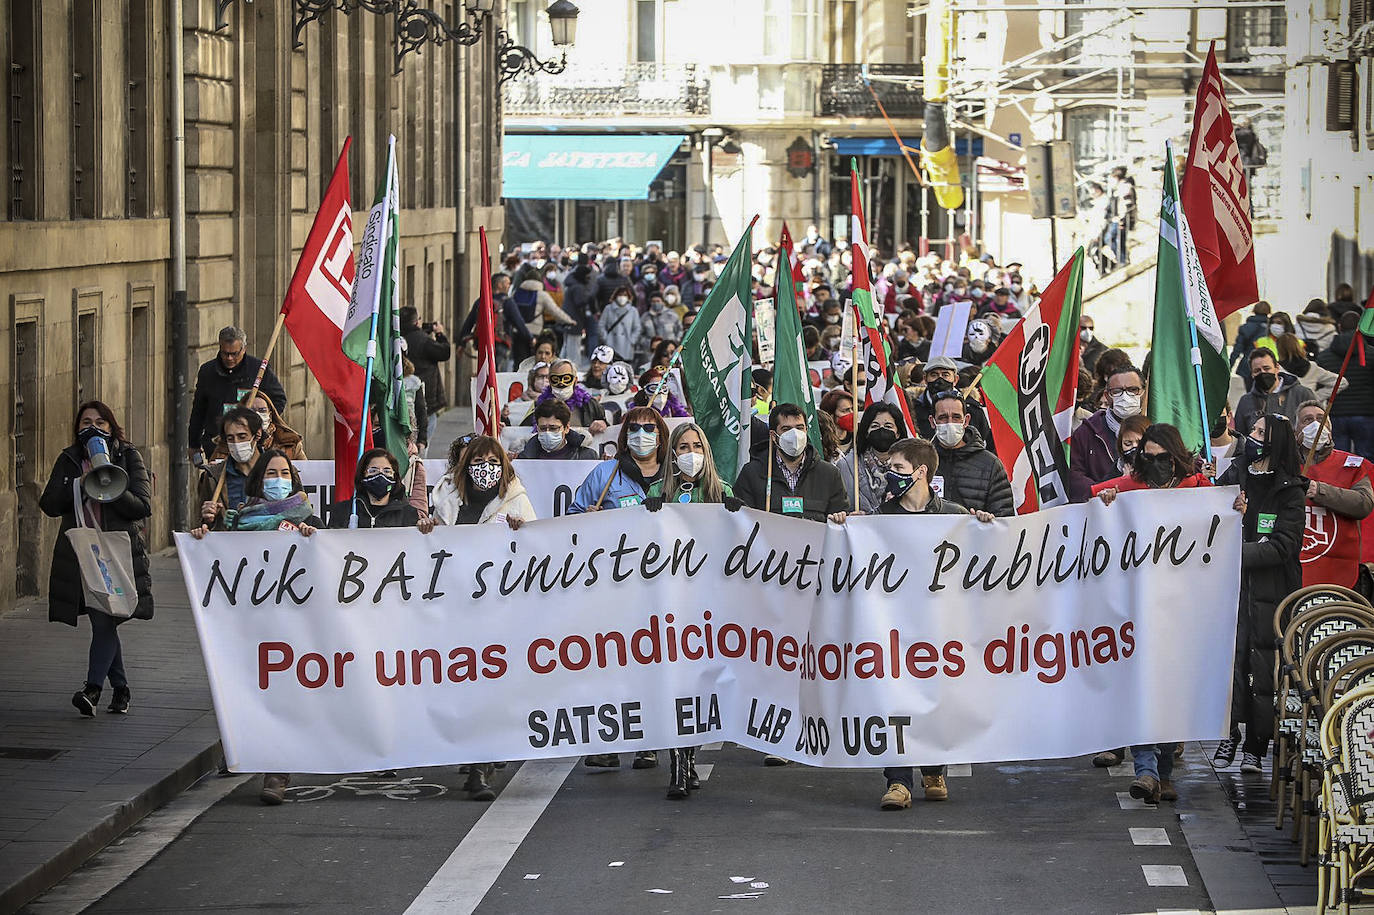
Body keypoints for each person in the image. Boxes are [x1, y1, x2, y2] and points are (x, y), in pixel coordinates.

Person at [187, 448, 324, 805]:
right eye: (270, 474)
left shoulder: (309, 519)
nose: (277, 480)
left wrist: (315, 541)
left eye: (284, 474)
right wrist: (207, 532)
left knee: (284, 694)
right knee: (251, 692)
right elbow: (220, 559)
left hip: (293, 629)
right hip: (252, 626)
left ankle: (277, 773)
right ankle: (244, 750)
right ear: (258, 480)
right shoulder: (237, 520)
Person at [1091, 424, 1211, 802]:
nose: (1155, 463)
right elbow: (1091, 512)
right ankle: (1145, 770)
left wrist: (1235, 507)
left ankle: (1164, 771)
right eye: (1148, 456)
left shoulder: (1199, 490)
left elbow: (1222, 524)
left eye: (1163, 458)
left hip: (1182, 610)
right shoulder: (1127, 489)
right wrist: (1105, 504)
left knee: (1170, 692)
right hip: (1135, 609)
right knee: (1139, 686)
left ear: (1176, 457)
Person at [877, 436, 993, 811]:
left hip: (941, 629)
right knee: (895, 700)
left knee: (936, 699)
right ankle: (898, 781)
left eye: (897, 469)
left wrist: (986, 528)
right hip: (894, 627)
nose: (890, 476)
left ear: (921, 472)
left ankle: (932, 770)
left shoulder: (955, 516)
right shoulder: (881, 518)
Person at [42, 402, 153, 718]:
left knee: (105, 619)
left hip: (117, 552)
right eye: (86, 422)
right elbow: (49, 503)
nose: (93, 427)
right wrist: (78, 486)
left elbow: (142, 505)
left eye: (101, 422)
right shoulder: (70, 459)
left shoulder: (128, 456)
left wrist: (110, 486)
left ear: (112, 427)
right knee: (103, 618)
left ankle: (93, 688)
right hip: (83, 554)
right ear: (78, 429)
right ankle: (119, 688)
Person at [643, 424, 736, 798]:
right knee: (674, 683)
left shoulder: (721, 491)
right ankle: (679, 767)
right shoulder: (657, 491)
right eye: (683, 446)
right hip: (667, 605)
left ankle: (689, 757)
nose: (690, 451)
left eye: (696, 445)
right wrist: (644, 515)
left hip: (709, 606)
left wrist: (735, 515)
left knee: (701, 687)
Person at [1214, 414, 1305, 772]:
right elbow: (1207, 513)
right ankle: (1228, 736)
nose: (1250, 436)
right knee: (1229, 665)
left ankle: (1256, 742)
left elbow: (1284, 546)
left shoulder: (1291, 490)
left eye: (1259, 432)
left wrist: (1234, 554)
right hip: (1230, 593)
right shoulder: (1236, 474)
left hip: (1271, 594)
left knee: (1263, 671)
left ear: (1275, 440)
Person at [1294, 400, 1374, 589]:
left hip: (1339, 567)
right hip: (1294, 569)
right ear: (1296, 430)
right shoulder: (1283, 464)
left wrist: (1320, 491)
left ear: (1330, 428)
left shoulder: (1353, 465)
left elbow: (1364, 503)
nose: (1316, 424)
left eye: (1321, 419)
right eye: (1308, 420)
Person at [734, 403, 850, 524]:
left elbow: (841, 518)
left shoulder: (829, 475)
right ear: (773, 436)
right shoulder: (752, 473)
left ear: (806, 430)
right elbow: (742, 523)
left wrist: (846, 518)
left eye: (799, 428)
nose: (795, 434)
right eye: (786, 429)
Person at [187, 326, 286, 460]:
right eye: (225, 353)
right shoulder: (207, 371)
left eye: (234, 353)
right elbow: (199, 410)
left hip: (251, 445)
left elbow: (279, 399)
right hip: (217, 446)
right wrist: (194, 444)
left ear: (243, 349)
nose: (229, 358)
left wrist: (262, 425)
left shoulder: (259, 370)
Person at [568, 406, 668, 516]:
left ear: (661, 434)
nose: (641, 433)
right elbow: (574, 515)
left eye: (649, 427)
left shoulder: (674, 472)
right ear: (626, 434)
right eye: (634, 427)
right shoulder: (603, 472)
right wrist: (587, 516)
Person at [928, 390, 1014, 517]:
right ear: (932, 421)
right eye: (943, 417)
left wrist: (988, 519)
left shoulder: (990, 465)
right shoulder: (920, 462)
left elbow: (1004, 517)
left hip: (975, 536)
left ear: (966, 420)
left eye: (956, 417)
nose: (950, 423)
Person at [1069, 364, 1145, 502]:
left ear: (1144, 392)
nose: (1125, 396)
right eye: (1117, 391)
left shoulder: (1158, 427)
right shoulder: (1087, 432)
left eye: (1133, 390)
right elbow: (1074, 477)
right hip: (1102, 514)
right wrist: (1101, 491)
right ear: (1106, 395)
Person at [431, 435, 535, 529]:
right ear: (467, 466)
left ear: (502, 466)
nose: (486, 467)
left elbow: (533, 540)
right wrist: (429, 528)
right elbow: (436, 540)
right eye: (478, 460)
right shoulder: (447, 498)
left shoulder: (517, 499)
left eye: (493, 461)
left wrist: (523, 528)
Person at [326, 449, 431, 530]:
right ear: (362, 475)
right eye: (373, 470)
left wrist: (424, 529)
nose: (380, 475)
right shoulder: (342, 511)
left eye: (387, 471)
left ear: (395, 477)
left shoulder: (408, 514)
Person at [196, 407, 265, 529]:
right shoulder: (213, 477)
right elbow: (203, 526)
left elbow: (299, 513)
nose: (236, 443)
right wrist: (208, 520)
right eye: (230, 438)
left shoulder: (280, 472)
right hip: (229, 545)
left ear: (257, 434)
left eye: (242, 436)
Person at [1318, 310, 1374, 459]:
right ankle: (1366, 483)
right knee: (1366, 458)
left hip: (1336, 413)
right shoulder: (1371, 355)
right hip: (1366, 413)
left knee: (1339, 458)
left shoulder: (1324, 357)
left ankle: (1342, 483)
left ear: (1339, 326)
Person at [836, 403, 907, 514]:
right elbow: (839, 506)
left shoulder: (910, 466)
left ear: (898, 433)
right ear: (866, 432)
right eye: (875, 426)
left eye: (888, 426)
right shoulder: (847, 466)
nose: (882, 430)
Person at [912, 357, 994, 447]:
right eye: (934, 375)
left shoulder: (972, 408)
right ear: (925, 379)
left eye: (945, 375)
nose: (940, 380)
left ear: (955, 380)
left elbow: (985, 440)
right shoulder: (914, 409)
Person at [1234, 348, 1317, 436]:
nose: (1262, 373)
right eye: (1257, 371)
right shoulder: (1246, 401)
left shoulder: (1302, 394)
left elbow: (1316, 428)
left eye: (1266, 368)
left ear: (1277, 367)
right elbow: (1240, 437)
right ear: (1252, 374)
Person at [399, 306, 451, 444]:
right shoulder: (423, 340)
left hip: (402, 396)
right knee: (422, 438)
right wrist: (439, 334)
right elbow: (444, 352)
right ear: (416, 322)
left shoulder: (396, 338)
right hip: (425, 395)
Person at [209, 393, 306, 462]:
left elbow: (307, 477)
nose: (257, 415)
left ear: (270, 415)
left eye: (262, 410)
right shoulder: (227, 445)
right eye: (251, 411)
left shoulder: (290, 444)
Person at [520, 358, 608, 433]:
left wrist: (603, 423)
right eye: (555, 379)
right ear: (550, 381)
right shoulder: (539, 405)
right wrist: (506, 420)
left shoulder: (590, 404)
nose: (561, 383)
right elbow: (521, 430)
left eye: (566, 379)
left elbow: (609, 428)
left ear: (575, 380)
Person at [1274, 332, 1344, 404]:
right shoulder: (1312, 367)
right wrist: (1316, 396)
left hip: (1288, 408)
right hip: (1310, 407)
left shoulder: (1277, 370)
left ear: (1279, 349)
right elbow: (1341, 382)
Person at [519, 400, 599, 460]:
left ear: (566, 428)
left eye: (553, 428)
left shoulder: (587, 456)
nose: (547, 432)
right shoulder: (524, 457)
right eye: (542, 428)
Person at [600, 285, 642, 364]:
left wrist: (632, 340)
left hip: (627, 345)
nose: (622, 297)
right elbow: (601, 325)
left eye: (625, 295)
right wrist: (606, 338)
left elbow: (637, 328)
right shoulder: (608, 309)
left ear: (628, 297)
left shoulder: (633, 310)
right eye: (620, 295)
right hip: (611, 343)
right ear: (615, 296)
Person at [1230, 301, 1272, 375]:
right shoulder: (1272, 329)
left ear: (1254, 310)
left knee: (1251, 386)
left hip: (1249, 365)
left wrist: (1230, 365)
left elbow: (1237, 349)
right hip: (1268, 365)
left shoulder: (1245, 328)